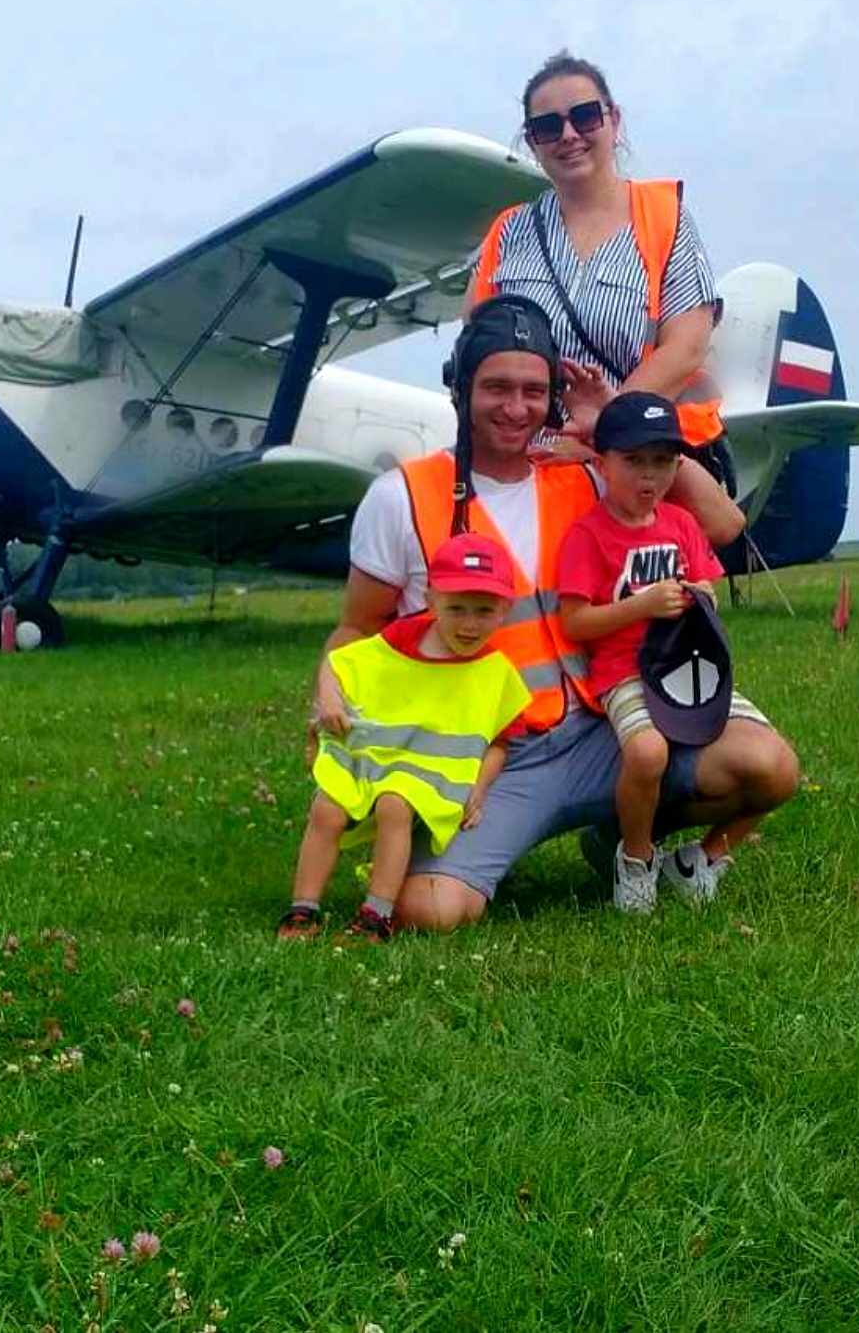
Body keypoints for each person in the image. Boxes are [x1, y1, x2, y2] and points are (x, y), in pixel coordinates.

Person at [321, 295, 798, 932]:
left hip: (609, 729)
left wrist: (616, 425)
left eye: (533, 390)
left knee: (769, 767)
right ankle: (531, 837)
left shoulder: (589, 477)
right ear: (460, 388)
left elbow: (724, 524)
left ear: (553, 397)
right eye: (496, 388)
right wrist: (330, 702)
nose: (516, 408)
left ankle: (621, 836)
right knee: (429, 910)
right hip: (500, 757)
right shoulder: (400, 497)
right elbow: (358, 627)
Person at [467, 51, 740, 544]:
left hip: (634, 468)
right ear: (532, 140)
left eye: (585, 116)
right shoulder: (506, 233)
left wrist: (608, 428)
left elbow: (686, 348)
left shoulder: (666, 217)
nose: (568, 134)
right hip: (526, 470)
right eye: (548, 126)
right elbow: (475, 346)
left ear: (613, 120)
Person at [280, 532, 533, 944]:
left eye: (484, 611)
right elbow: (340, 663)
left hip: (433, 775)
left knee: (394, 804)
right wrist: (329, 699)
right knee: (327, 808)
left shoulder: (496, 672)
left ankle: (375, 915)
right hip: (372, 755)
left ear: (505, 610)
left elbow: (500, 743)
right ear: (431, 600)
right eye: (456, 608)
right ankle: (302, 909)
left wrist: (478, 788)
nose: (469, 624)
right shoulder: (401, 639)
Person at [555, 391, 727, 914]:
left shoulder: (681, 524)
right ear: (602, 463)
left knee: (780, 766)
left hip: (686, 665)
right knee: (648, 753)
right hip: (624, 671)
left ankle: (701, 859)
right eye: (633, 460)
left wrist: (701, 594)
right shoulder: (587, 534)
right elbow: (574, 622)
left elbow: (710, 587)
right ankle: (636, 859)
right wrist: (642, 606)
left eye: (663, 460)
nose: (649, 475)